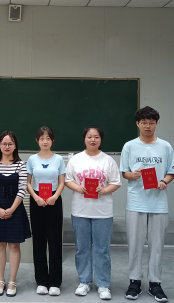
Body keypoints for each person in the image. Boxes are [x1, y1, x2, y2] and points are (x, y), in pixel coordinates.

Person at [120, 106, 174, 302]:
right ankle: (134, 281)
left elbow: (171, 172)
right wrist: (133, 175)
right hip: (136, 202)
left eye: (151, 123)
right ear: (138, 123)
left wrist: (164, 182)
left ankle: (155, 283)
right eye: (144, 123)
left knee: (157, 245)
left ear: (156, 124)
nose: (148, 126)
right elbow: (124, 172)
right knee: (135, 244)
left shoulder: (166, 146)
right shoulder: (129, 146)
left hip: (158, 203)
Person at [65, 126, 122, 300]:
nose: (93, 140)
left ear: (100, 139)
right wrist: (78, 188)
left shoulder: (108, 160)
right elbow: (68, 180)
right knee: (82, 248)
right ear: (84, 139)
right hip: (80, 210)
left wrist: (104, 190)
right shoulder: (76, 159)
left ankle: (103, 284)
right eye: (89, 136)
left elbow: (116, 182)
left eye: (96, 137)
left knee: (102, 249)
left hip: (102, 212)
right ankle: (84, 282)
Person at [0, 131, 31, 297]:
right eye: (4, 143)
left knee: (14, 246)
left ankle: (12, 281)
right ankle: (0, 280)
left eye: (10, 143)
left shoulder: (21, 165)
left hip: (16, 210)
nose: (7, 146)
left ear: (15, 146)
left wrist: (11, 209)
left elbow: (22, 189)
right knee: (0, 245)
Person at [26, 126, 66, 296]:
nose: (45, 141)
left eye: (48, 138)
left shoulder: (58, 159)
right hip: (37, 200)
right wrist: (36, 197)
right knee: (39, 241)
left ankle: (55, 282)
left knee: (55, 241)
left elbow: (62, 182)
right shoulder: (32, 159)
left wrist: (55, 196)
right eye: (42, 138)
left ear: (52, 140)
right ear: (37, 141)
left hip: (53, 200)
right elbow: (28, 182)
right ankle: (41, 281)